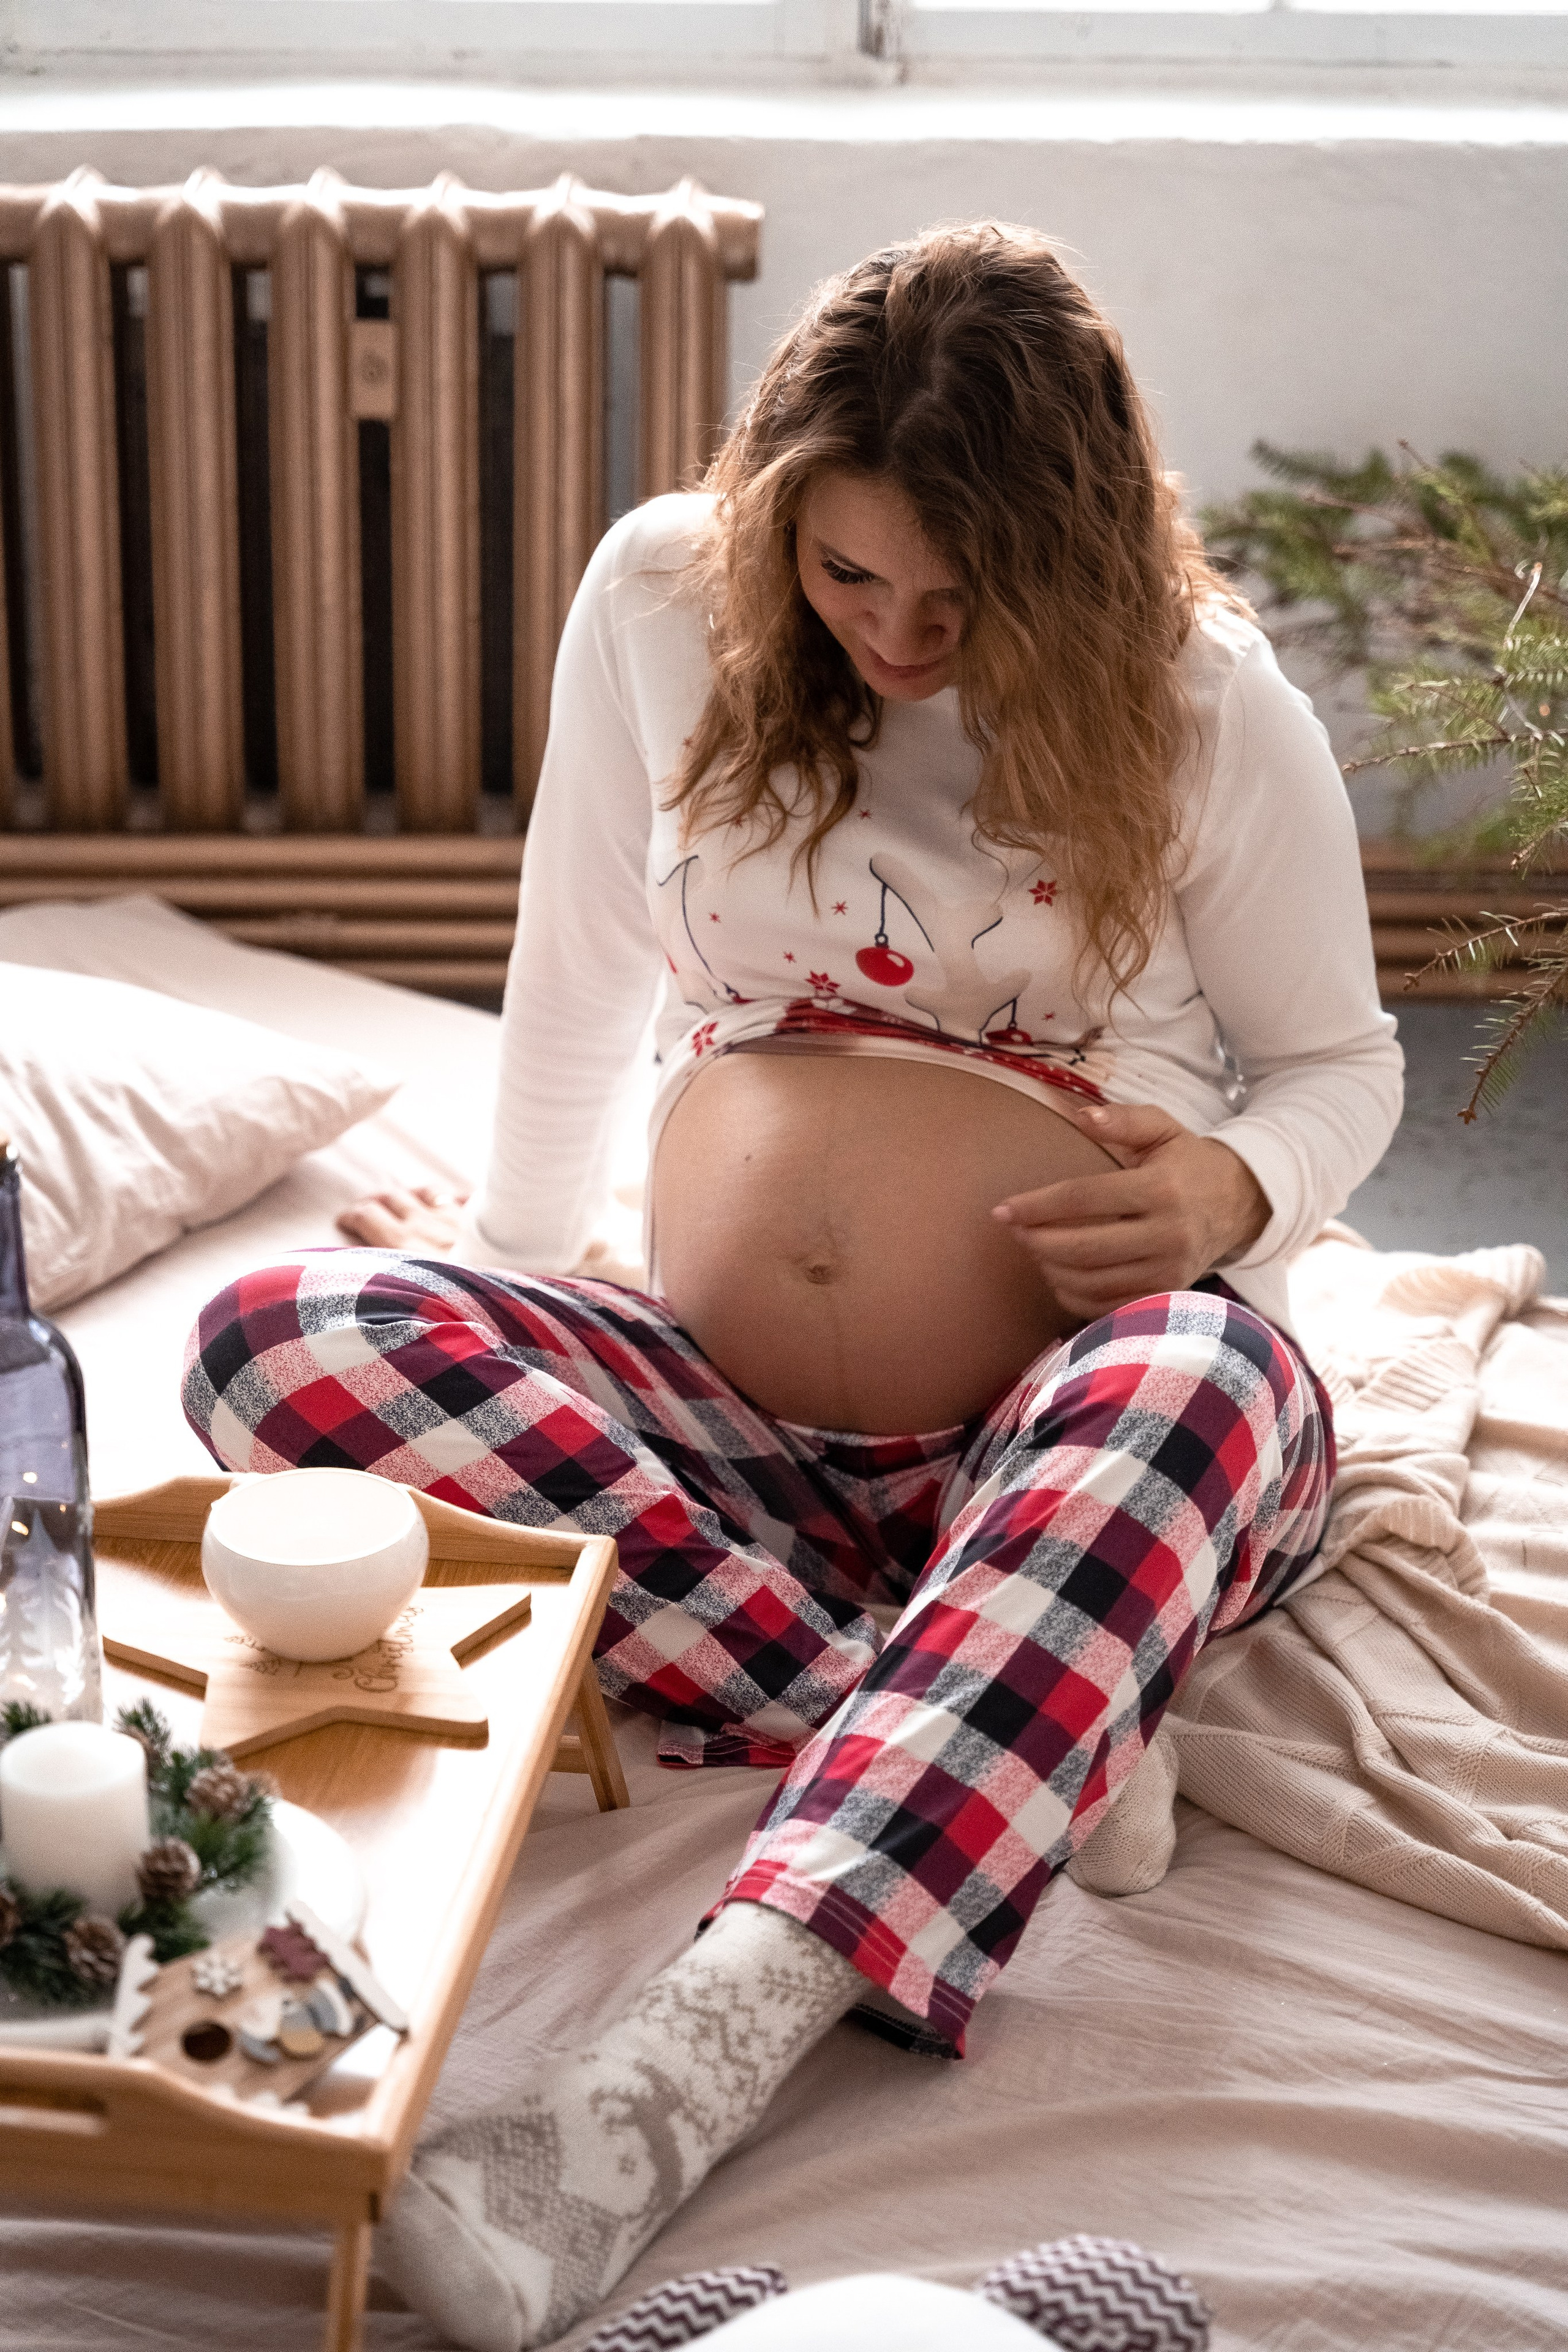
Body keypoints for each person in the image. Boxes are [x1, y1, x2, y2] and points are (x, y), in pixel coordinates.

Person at [183, 223, 1401, 2351]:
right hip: (733, 1432)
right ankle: (999, 1703)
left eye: (963, 599)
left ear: (1077, 556)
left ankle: (668, 2080)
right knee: (277, 1340)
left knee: (1201, 1389)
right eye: (848, 580)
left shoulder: (1205, 697)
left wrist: (1225, 1192)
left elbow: (1342, 1065)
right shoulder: (662, 595)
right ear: (772, 522)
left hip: (1081, 1404)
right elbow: (570, 967)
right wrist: (508, 1250)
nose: (900, 637)